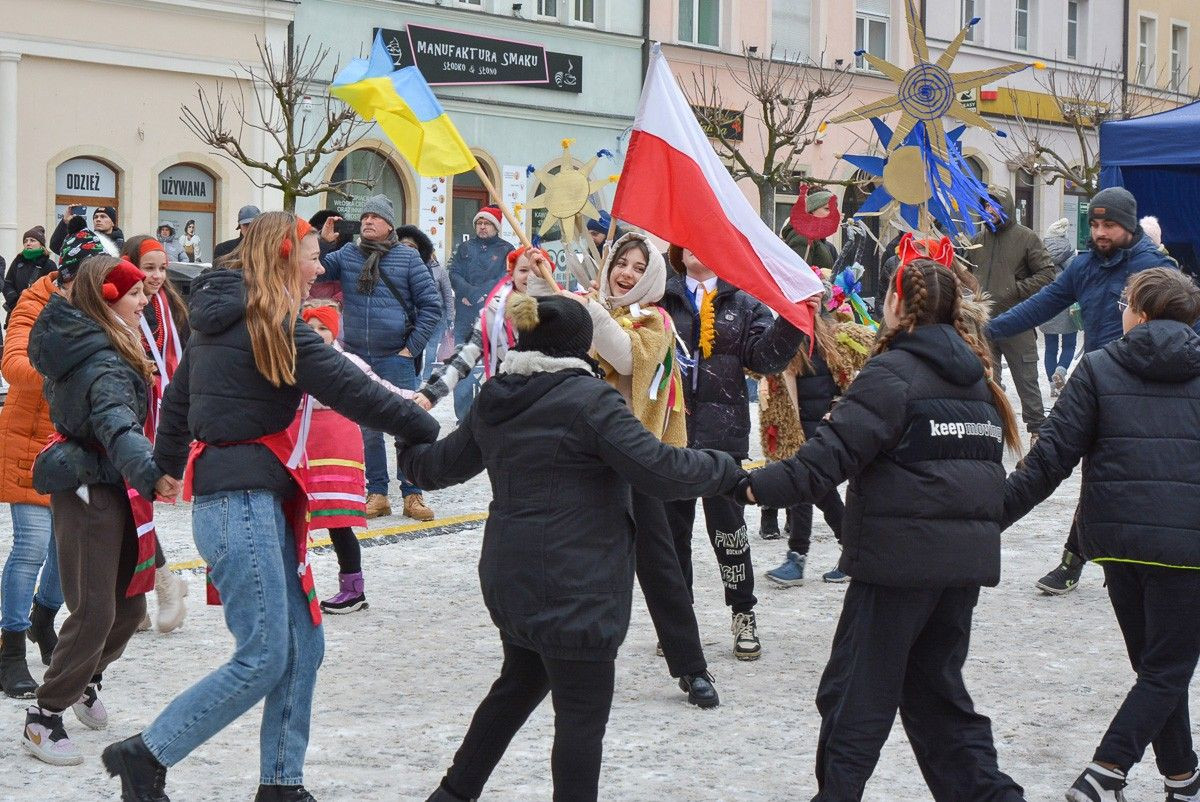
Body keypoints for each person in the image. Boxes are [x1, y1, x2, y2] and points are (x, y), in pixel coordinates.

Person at [99, 212, 439, 802]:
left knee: (303, 645)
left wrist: (167, 466)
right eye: (311, 256)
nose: (318, 268)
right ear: (283, 257)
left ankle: (281, 783)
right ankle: (147, 753)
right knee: (263, 655)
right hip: (241, 506)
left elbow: (177, 402)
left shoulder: (226, 320)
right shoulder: (270, 326)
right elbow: (352, 389)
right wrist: (425, 428)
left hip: (251, 503)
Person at [400, 292, 746, 802]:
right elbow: (660, 468)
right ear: (582, 347)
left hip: (512, 580)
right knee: (580, 719)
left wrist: (407, 437)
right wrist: (727, 468)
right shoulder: (590, 400)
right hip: (576, 585)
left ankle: (453, 794)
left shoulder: (495, 397)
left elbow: (436, 468)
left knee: (517, 685)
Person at [735, 257, 1025, 801]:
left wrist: (747, 486)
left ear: (894, 304)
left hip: (897, 568)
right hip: (959, 569)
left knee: (854, 699)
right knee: (937, 700)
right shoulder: (977, 378)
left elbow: (824, 461)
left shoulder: (892, 374)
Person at [1004, 268, 1200, 802]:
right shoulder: (1102, 365)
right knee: (1165, 672)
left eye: (1125, 304)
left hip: (1117, 544)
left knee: (1155, 672)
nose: (1121, 312)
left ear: (1141, 314)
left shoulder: (1098, 366)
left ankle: (1183, 778)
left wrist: (988, 517)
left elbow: (1049, 460)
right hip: (1188, 548)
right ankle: (1106, 771)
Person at [986, 187, 1179, 595]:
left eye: (1109, 225)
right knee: (1053, 458)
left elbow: (1185, 326)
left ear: (1129, 225)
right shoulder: (1084, 266)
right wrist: (983, 329)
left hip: (1141, 388)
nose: (1100, 232)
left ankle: (1081, 560)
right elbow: (1041, 305)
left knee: (1108, 473)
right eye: (1094, 224)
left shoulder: (1154, 269)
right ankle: (993, 529)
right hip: (1094, 379)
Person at [21, 255, 173, 766]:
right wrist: (150, 471)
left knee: (129, 606)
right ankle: (44, 715)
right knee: (95, 608)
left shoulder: (110, 340)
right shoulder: (102, 358)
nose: (145, 300)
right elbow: (116, 424)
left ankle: (84, 679)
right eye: (135, 293)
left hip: (112, 481)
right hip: (89, 485)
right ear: (106, 299)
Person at [560, 232, 720, 708]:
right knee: (576, 564)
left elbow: (627, 357)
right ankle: (565, 660)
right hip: (585, 461)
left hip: (634, 457)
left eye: (637, 266)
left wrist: (591, 312)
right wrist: (546, 285)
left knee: (660, 566)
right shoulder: (588, 311)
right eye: (620, 262)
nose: (626, 272)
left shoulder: (655, 320)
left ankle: (692, 667)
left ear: (651, 277)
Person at [660, 245, 804, 661]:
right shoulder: (661, 296)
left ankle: (743, 613)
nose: (696, 246)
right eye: (688, 239)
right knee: (672, 537)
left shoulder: (743, 302)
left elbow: (765, 358)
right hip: (670, 436)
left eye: (704, 238)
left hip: (723, 438)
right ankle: (677, 623)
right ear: (678, 250)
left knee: (730, 533)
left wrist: (792, 320)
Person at [318, 194, 442, 522]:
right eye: (364, 217)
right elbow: (316, 272)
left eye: (375, 217)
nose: (368, 221)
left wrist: (410, 348)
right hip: (358, 356)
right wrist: (323, 243)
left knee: (406, 425)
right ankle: (377, 493)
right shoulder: (347, 254)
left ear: (389, 224)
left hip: (396, 357)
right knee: (368, 428)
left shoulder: (408, 258)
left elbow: (432, 306)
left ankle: (412, 493)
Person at [296, 302, 418, 615]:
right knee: (293, 518)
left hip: (336, 444)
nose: (316, 334)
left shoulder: (346, 362)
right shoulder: (291, 360)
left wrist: (415, 398)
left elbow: (378, 388)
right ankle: (294, 585)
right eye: (310, 327)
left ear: (335, 332)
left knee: (337, 521)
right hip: (299, 446)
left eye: (323, 328)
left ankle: (353, 589)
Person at [0, 238, 82, 698]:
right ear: (67, 277)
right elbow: (13, 365)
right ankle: (10, 648)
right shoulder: (33, 304)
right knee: (32, 544)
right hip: (29, 439)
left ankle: (43, 618)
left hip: (74, 442)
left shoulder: (100, 308)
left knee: (66, 550)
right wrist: (65, 371)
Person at [758, 309, 874, 586]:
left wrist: (842, 404)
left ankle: (799, 559)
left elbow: (874, 357)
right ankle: (851, 555)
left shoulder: (836, 338)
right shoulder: (783, 340)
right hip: (794, 430)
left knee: (807, 488)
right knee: (819, 493)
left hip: (823, 431)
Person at [122, 236, 191, 634]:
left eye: (162, 268)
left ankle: (159, 587)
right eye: (148, 268)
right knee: (127, 507)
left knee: (134, 504)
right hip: (128, 414)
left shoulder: (171, 307)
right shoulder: (122, 305)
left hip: (156, 417)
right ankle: (152, 592)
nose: (157, 276)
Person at [967, 186, 1056, 444]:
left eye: (994, 204)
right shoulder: (976, 240)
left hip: (1017, 321)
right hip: (984, 324)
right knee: (987, 382)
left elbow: (1047, 273)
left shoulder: (1026, 238)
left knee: (1027, 380)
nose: (989, 210)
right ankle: (990, 429)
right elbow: (967, 273)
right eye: (985, 205)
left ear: (1006, 206)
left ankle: (1037, 432)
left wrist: (1015, 290)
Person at [418, 246, 537, 411]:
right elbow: (466, 356)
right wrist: (431, 393)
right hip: (507, 401)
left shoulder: (563, 309)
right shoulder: (495, 312)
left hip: (546, 404)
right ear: (512, 274)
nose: (530, 276)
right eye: (523, 270)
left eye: (537, 270)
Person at [448, 205, 513, 421]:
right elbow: (454, 273)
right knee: (462, 368)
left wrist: (481, 295)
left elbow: (504, 278)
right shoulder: (465, 247)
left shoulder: (506, 249)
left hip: (494, 317)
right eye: (479, 223)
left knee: (497, 369)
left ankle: (494, 417)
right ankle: (464, 418)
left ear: (495, 227)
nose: (482, 227)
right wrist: (468, 292)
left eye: (487, 223)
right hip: (465, 316)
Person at [395, 225, 455, 381]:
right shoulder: (391, 267)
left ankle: (426, 374)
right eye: (403, 246)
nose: (407, 250)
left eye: (411, 247)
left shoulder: (437, 270)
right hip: (402, 323)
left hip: (432, 318)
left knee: (431, 346)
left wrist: (449, 317)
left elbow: (447, 295)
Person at [1039, 218, 1082, 397]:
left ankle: (1052, 384)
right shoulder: (1071, 255)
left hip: (1047, 304)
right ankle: (1061, 371)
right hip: (1068, 306)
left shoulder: (1040, 254)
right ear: (1064, 236)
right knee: (1069, 345)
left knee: (1050, 347)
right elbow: (1078, 280)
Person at [778, 186, 840, 271]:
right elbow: (799, 273)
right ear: (812, 210)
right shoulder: (803, 236)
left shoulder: (819, 239)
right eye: (827, 209)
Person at [3, 226, 55, 324]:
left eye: (32, 240)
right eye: (25, 241)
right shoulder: (18, 261)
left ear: (41, 244)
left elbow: (53, 290)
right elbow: (8, 283)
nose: (28, 243)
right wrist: (14, 301)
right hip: (16, 312)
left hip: (39, 315)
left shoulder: (49, 264)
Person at [49, 206, 125, 256]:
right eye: (95, 217)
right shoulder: (86, 240)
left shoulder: (124, 247)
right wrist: (65, 222)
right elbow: (56, 247)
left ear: (113, 223)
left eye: (103, 217)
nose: (98, 219)